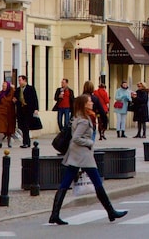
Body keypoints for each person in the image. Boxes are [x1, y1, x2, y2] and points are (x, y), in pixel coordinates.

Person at [48, 94, 127, 225]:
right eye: (89, 101)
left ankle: (54, 214)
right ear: (84, 104)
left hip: (76, 154)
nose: (91, 103)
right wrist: (89, 142)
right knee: (97, 182)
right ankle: (111, 211)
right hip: (82, 155)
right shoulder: (84, 120)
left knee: (66, 183)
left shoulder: (77, 117)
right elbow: (76, 138)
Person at [16, 75, 40, 148]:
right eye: (19, 80)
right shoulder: (18, 90)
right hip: (21, 111)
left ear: (24, 80)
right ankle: (26, 142)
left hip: (28, 110)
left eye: (20, 80)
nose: (19, 82)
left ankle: (26, 143)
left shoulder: (30, 88)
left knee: (26, 127)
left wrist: (36, 109)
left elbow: (35, 98)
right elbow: (16, 99)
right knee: (22, 127)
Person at [0, 81, 17, 148]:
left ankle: (9, 143)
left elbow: (16, 100)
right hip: (2, 112)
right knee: (2, 127)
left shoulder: (12, 93)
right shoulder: (0, 93)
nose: (3, 87)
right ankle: (0, 141)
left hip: (10, 113)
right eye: (3, 86)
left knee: (10, 128)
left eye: (5, 86)